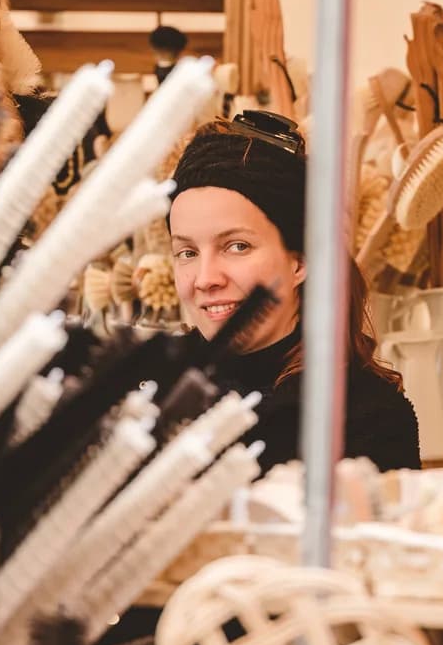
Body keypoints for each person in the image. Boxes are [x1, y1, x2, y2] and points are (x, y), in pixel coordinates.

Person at [169, 112, 421, 471]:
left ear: (300, 261)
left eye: (237, 246)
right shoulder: (152, 391)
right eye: (188, 253)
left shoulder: (364, 417)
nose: (205, 278)